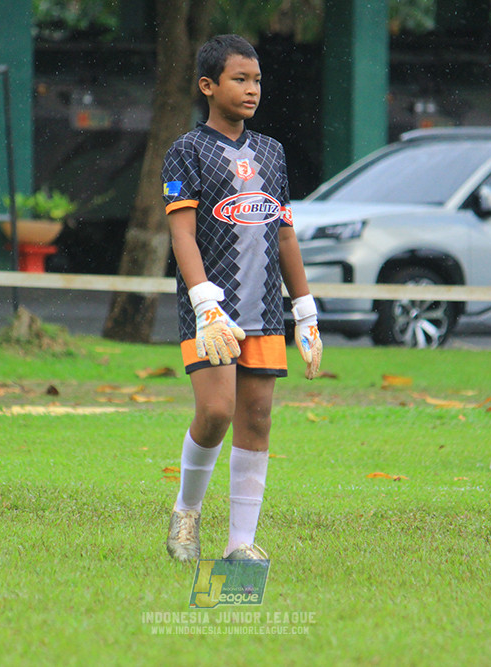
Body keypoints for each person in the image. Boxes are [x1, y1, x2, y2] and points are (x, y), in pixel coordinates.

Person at [162, 34, 323, 563]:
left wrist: (304, 310)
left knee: (256, 418)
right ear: (208, 86)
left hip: (263, 310)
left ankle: (240, 543)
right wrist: (205, 301)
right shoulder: (186, 150)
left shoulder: (272, 152)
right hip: (210, 310)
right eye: (239, 79)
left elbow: (284, 236)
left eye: (256, 80)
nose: (252, 89)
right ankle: (186, 514)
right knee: (216, 410)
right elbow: (183, 235)